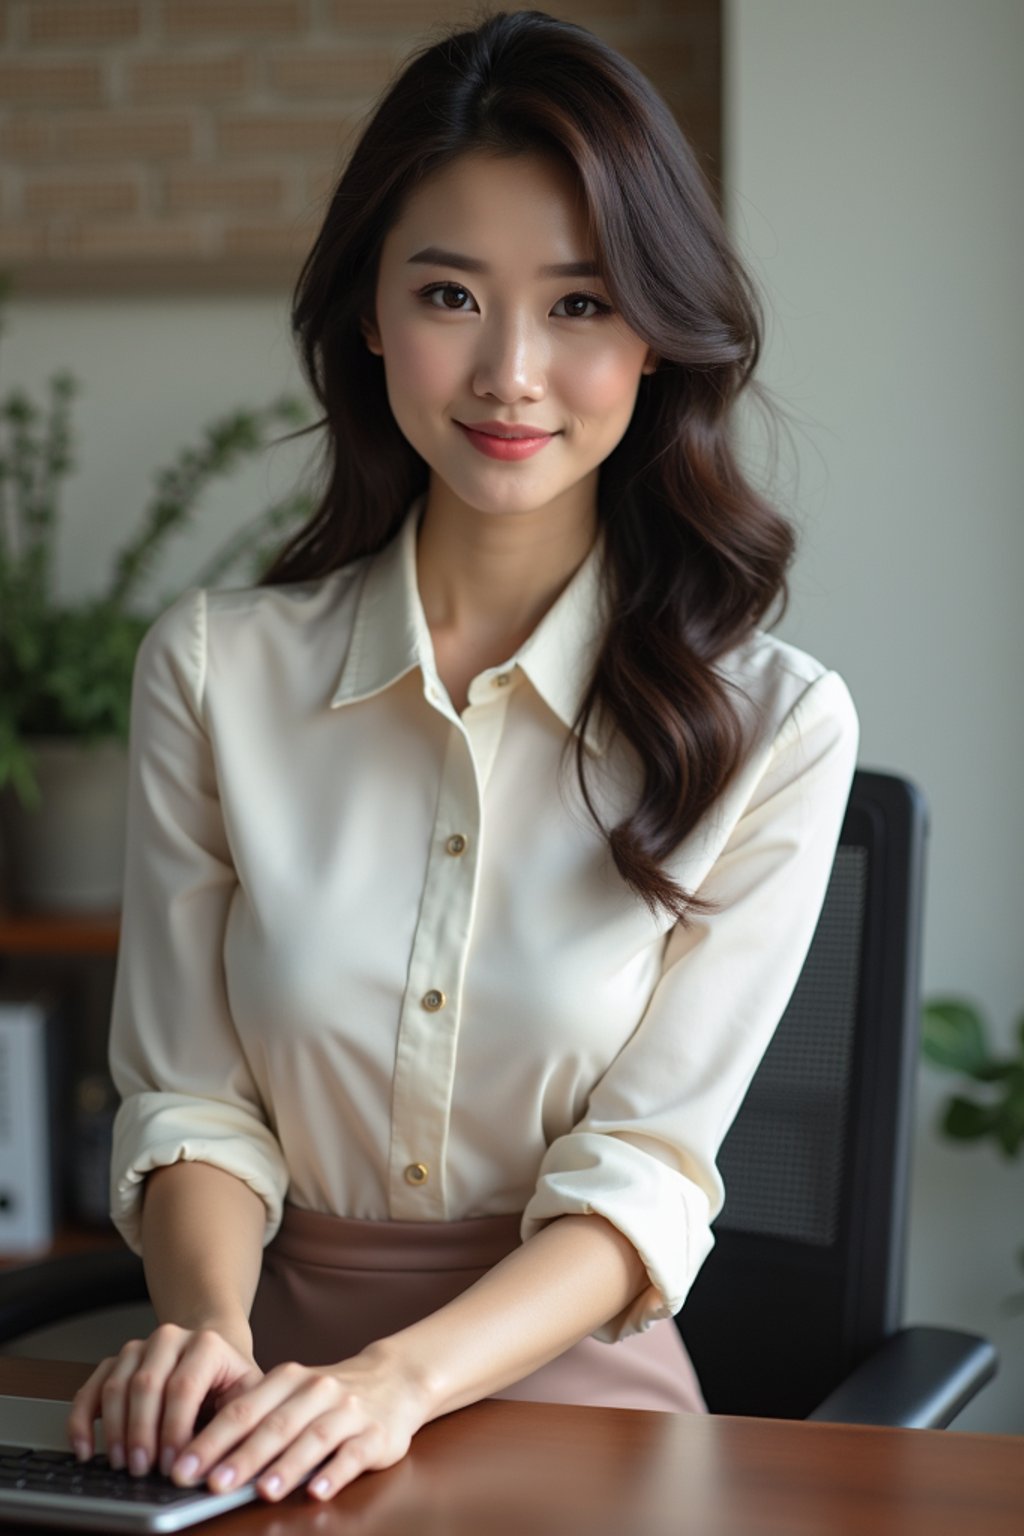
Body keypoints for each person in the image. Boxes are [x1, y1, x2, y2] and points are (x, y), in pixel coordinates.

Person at [68, 7, 858, 1507]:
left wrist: (395, 1388)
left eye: (579, 304)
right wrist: (207, 1338)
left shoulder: (778, 726)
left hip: (582, 1414)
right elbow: (190, 1099)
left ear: (654, 334)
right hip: (255, 1420)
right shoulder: (218, 670)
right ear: (370, 314)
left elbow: (646, 1174)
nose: (509, 372)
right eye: (450, 293)